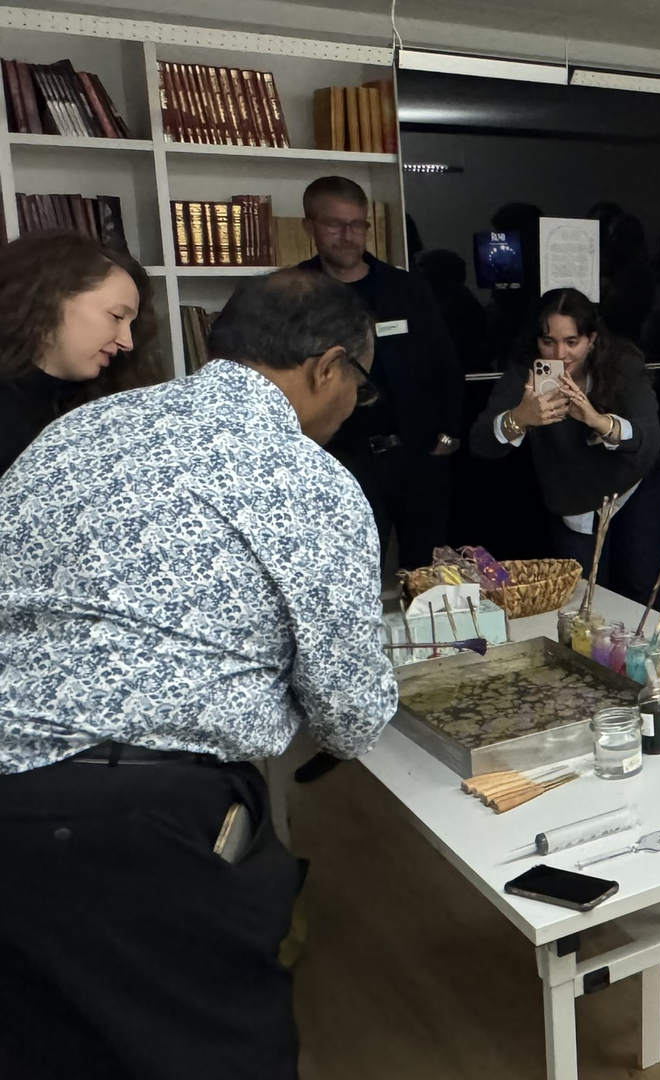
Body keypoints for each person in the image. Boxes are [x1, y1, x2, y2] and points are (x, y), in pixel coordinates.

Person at [0, 269, 399, 1079]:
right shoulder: (306, 479)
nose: (353, 404)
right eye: (359, 384)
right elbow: (351, 714)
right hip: (146, 827)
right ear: (328, 366)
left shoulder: (76, 430)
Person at [299, 175, 464, 571]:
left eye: (357, 224)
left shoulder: (406, 288)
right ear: (309, 226)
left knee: (427, 575)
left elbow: (445, 363)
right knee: (350, 571)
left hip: (417, 455)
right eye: (334, 224)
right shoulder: (295, 292)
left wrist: (449, 434)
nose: (348, 236)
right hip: (335, 459)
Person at [469, 288, 660, 601]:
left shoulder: (621, 361)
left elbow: (649, 437)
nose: (559, 354)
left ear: (592, 339)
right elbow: (481, 442)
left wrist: (598, 421)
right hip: (573, 496)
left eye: (571, 342)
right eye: (548, 341)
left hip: (633, 485)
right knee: (580, 598)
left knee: (643, 588)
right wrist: (520, 418)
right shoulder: (526, 370)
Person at [0, 231, 159, 474]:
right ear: (50, 299)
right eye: (116, 316)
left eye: (131, 325)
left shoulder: (115, 405)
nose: (127, 342)